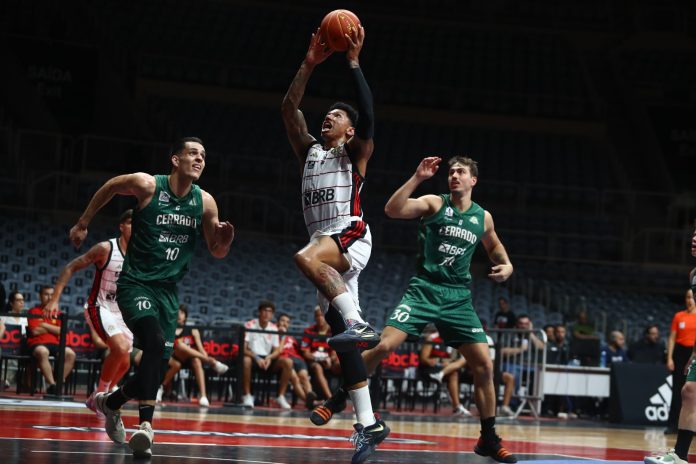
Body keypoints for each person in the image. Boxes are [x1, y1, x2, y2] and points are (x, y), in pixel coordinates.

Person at [323, 156, 517, 462]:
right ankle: (341, 395)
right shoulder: (434, 203)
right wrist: (417, 177)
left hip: (457, 297)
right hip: (424, 289)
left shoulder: (484, 217)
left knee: (484, 366)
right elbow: (392, 210)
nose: (454, 175)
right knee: (384, 345)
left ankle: (488, 438)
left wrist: (505, 264)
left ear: (472, 180)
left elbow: (493, 245)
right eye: (451, 171)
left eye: (460, 172)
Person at [67, 137, 234, 458]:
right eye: (193, 153)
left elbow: (217, 251)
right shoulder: (148, 185)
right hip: (136, 284)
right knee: (155, 346)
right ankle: (146, 427)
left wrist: (224, 242)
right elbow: (112, 186)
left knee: (155, 367)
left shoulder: (206, 202)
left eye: (204, 155)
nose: (199, 159)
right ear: (175, 159)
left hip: (168, 293)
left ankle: (110, 403)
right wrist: (83, 222)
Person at [281, 25, 387, 463]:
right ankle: (369, 424)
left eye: (337, 116)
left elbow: (367, 112)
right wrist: (308, 65)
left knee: (304, 256)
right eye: (327, 114)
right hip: (328, 251)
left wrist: (353, 63)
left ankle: (357, 322)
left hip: (350, 233)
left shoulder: (355, 153)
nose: (329, 117)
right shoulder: (309, 150)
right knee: (343, 343)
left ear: (349, 131)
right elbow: (289, 109)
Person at [44, 210, 135, 415]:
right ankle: (100, 396)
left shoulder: (141, 254)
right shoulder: (106, 248)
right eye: (131, 223)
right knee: (120, 349)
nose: (136, 227)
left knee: (125, 362)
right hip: (99, 306)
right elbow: (70, 267)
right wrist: (54, 300)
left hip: (122, 311)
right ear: (122, 225)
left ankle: (98, 395)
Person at [644, 243, 696, 463]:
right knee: (689, 392)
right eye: (693, 236)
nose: (694, 240)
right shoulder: (693, 274)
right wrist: (694, 353)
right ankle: (680, 455)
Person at [158, 304, 229, 407]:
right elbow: (167, 347)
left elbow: (201, 349)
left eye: (182, 313)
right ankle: (213, 362)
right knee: (180, 345)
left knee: (196, 360)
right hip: (174, 357)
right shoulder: (170, 328)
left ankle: (203, 396)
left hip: (190, 358)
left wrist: (204, 355)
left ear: (186, 316)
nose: (179, 315)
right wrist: (208, 360)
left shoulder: (192, 330)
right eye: (177, 312)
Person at [27, 286, 76, 395]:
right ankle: (52, 384)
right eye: (46, 294)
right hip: (38, 343)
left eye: (52, 295)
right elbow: (35, 332)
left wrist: (43, 324)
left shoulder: (57, 313)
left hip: (55, 343)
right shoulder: (33, 311)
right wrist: (52, 328)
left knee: (70, 354)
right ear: (40, 296)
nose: (49, 297)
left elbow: (61, 331)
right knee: (43, 352)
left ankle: (58, 384)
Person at [241, 301, 290, 409]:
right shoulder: (250, 325)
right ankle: (247, 395)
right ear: (259, 312)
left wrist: (270, 358)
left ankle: (281, 396)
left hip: (267, 359)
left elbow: (277, 350)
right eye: (265, 311)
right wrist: (256, 357)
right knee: (246, 360)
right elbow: (243, 349)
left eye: (270, 312)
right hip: (253, 357)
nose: (267, 314)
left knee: (287, 362)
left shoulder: (273, 328)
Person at [418, 325, 470, 416]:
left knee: (455, 371)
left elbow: (452, 358)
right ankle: (457, 407)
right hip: (428, 369)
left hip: (443, 368)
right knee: (453, 373)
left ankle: (457, 406)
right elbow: (423, 359)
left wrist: (447, 361)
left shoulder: (452, 340)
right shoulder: (432, 338)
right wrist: (438, 361)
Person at [663, 290, 696, 434]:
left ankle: (692, 426)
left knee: (693, 391)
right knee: (677, 390)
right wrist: (669, 358)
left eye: (691, 297)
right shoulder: (679, 316)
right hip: (680, 354)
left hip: (694, 353)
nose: (689, 300)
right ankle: (673, 424)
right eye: (687, 297)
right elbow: (672, 338)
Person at [277, 312, 317, 409]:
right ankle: (309, 402)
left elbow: (300, 350)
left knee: (304, 377)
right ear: (277, 322)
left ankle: (310, 396)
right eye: (282, 320)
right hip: (284, 358)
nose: (284, 323)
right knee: (295, 378)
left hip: (297, 359)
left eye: (287, 322)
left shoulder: (291, 337)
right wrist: (280, 334)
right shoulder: (273, 334)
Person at [302, 306, 342, 401]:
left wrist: (330, 359)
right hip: (313, 362)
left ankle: (345, 397)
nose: (319, 318)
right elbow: (305, 352)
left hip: (329, 361)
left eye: (322, 315)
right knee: (317, 367)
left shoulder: (333, 331)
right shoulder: (308, 331)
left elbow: (334, 352)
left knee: (343, 365)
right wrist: (319, 359)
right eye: (317, 316)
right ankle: (330, 399)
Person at [0, 290, 29, 390]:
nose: (21, 302)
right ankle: (4, 381)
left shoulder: (26, 319)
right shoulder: (4, 317)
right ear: (11, 303)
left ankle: (8, 381)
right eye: (18, 300)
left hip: (22, 348)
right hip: (6, 347)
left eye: (22, 300)